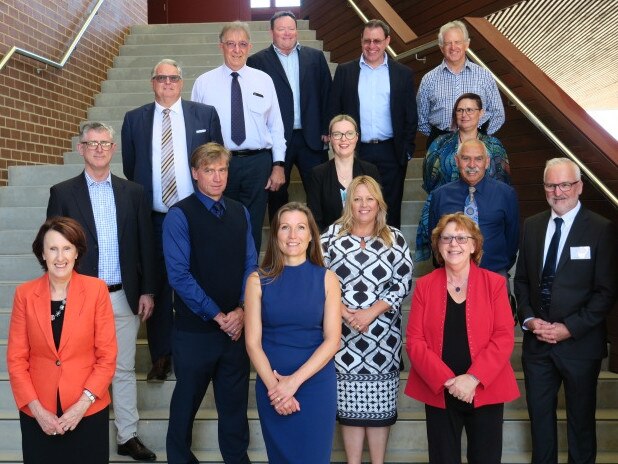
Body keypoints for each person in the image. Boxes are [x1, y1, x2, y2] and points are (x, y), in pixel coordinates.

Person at [47, 122, 157, 461]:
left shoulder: (134, 192)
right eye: (91, 143)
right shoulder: (63, 193)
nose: (98, 149)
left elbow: (146, 246)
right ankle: (78, 430)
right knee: (79, 366)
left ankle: (127, 435)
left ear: (113, 149)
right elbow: (51, 248)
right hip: (79, 297)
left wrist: (149, 290)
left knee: (122, 367)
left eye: (105, 143)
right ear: (81, 149)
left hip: (123, 295)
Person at [122, 58, 223, 383]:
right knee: (158, 284)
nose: (167, 83)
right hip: (154, 217)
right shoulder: (134, 119)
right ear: (153, 82)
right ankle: (162, 355)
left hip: (195, 213)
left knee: (201, 279)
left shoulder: (203, 115)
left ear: (182, 82)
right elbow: (131, 166)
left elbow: (216, 161)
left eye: (174, 78)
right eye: (161, 78)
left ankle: (201, 351)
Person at [515, 158, 618, 464]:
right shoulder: (532, 226)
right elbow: (521, 281)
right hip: (537, 344)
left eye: (565, 184)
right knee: (541, 423)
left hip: (580, 344)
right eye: (550, 185)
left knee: (581, 423)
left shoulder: (601, 229)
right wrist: (531, 320)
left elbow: (606, 292)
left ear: (579, 187)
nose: (557, 192)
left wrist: (569, 327)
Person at [163, 142, 257, 464]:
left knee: (234, 411)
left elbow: (251, 266)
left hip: (235, 333)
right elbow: (179, 275)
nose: (217, 177)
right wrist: (219, 315)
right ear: (195, 173)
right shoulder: (179, 215)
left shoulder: (240, 212)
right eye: (208, 170)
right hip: (194, 334)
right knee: (184, 409)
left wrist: (242, 310)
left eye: (222, 170)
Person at [405, 212, 519, 463]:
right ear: (438, 246)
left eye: (460, 238)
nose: (453, 244)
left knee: (486, 458)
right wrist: (449, 381)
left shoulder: (495, 283)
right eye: (446, 239)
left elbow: (503, 336)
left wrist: (472, 379)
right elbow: (415, 341)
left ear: (474, 245)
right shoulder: (424, 285)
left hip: (486, 387)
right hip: (439, 390)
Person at [7, 217, 117, 464]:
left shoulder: (96, 290)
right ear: (42, 254)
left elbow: (107, 356)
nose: (60, 257)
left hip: (87, 410)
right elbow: (16, 359)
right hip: (39, 413)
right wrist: (37, 410)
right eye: (53, 248)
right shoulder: (24, 294)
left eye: (67, 248)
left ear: (77, 252)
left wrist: (80, 407)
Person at [321, 175, 413, 464]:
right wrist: (346, 312)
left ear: (378, 203)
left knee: (379, 409)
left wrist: (371, 312)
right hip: (343, 335)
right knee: (349, 407)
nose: (363, 204)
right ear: (349, 202)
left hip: (383, 339)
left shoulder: (394, 238)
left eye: (369, 199)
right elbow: (318, 278)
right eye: (357, 198)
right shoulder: (331, 236)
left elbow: (403, 282)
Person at [245, 202, 341, 463]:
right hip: (271, 386)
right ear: (275, 234)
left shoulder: (327, 278)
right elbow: (252, 343)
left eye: (300, 228)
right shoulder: (256, 280)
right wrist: (277, 389)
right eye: (285, 228)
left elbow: (333, 340)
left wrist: (293, 383)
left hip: (315, 386)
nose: (292, 236)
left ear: (311, 235)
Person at [191, 21, 286, 251]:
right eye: (231, 44)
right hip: (219, 164)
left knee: (252, 224)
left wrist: (278, 164)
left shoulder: (264, 80)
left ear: (249, 46)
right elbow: (195, 129)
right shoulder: (204, 83)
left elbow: (276, 126)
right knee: (219, 219)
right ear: (221, 46)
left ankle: (250, 276)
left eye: (242, 44)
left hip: (257, 163)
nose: (237, 49)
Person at [330, 19, 417, 228]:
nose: (372, 46)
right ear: (361, 41)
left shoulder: (402, 74)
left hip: (391, 151)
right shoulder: (345, 71)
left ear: (387, 41)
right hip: (357, 151)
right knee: (356, 205)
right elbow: (335, 110)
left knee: (391, 206)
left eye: (377, 41)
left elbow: (410, 116)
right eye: (367, 41)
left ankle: (390, 253)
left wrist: (406, 150)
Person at [246, 11, 332, 221]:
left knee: (320, 193)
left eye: (291, 28)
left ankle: (319, 245)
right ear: (272, 32)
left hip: (311, 137)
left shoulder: (315, 57)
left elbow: (327, 94)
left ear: (297, 30)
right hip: (276, 139)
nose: (287, 33)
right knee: (276, 195)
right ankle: (280, 246)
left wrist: (326, 128)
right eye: (281, 28)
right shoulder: (257, 61)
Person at [416, 139, 519, 280]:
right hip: (451, 275)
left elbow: (512, 239)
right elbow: (435, 238)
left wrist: (500, 267)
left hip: (493, 274)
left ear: (487, 162)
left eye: (478, 159)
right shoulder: (440, 195)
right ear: (456, 161)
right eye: (465, 158)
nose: (472, 165)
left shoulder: (506, 194)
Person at [417, 20, 505, 148]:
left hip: (478, 145)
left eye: (457, 42)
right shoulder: (428, 79)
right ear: (441, 48)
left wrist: (481, 137)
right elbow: (421, 119)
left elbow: (498, 114)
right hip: (440, 146)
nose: (453, 47)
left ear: (466, 44)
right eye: (448, 43)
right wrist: (440, 139)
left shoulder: (484, 76)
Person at [422, 92, 510, 194]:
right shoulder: (439, 143)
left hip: (487, 205)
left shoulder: (494, 145)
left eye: (469, 110)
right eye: (460, 110)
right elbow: (429, 180)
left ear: (481, 113)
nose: (464, 115)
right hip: (446, 205)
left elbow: (503, 182)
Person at [306, 114, 381, 231]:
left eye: (349, 133)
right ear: (330, 138)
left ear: (356, 137)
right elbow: (315, 220)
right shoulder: (318, 174)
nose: (344, 139)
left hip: (367, 241)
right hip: (329, 243)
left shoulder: (370, 171)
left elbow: (378, 212)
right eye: (337, 134)